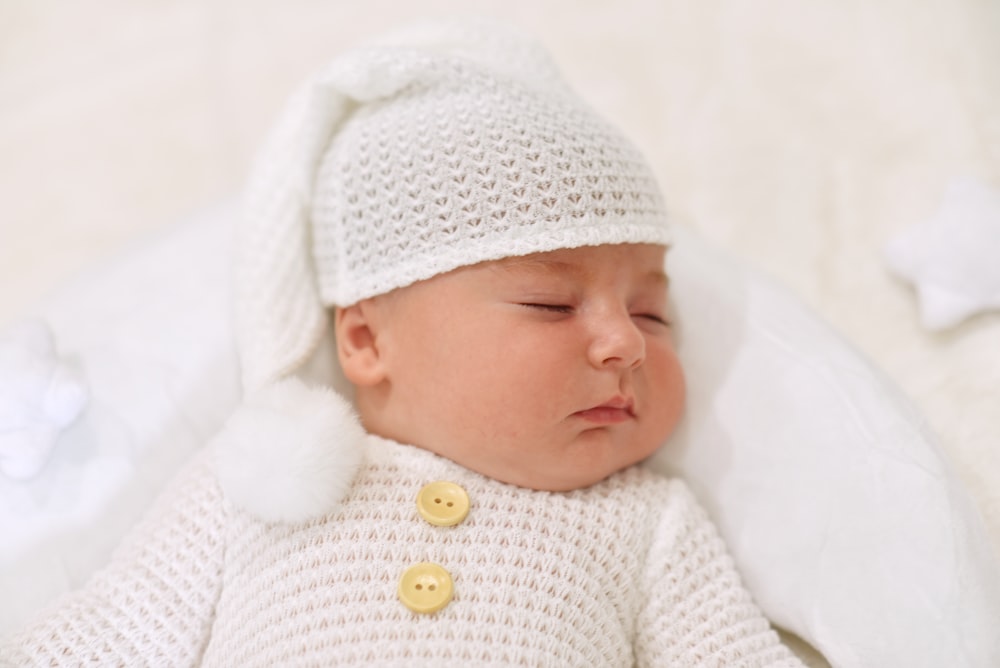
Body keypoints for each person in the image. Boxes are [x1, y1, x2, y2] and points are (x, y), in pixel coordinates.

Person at [2, 19, 804, 667]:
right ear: (363, 341)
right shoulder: (261, 478)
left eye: (653, 314)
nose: (624, 344)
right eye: (552, 302)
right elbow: (111, 634)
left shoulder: (646, 520)